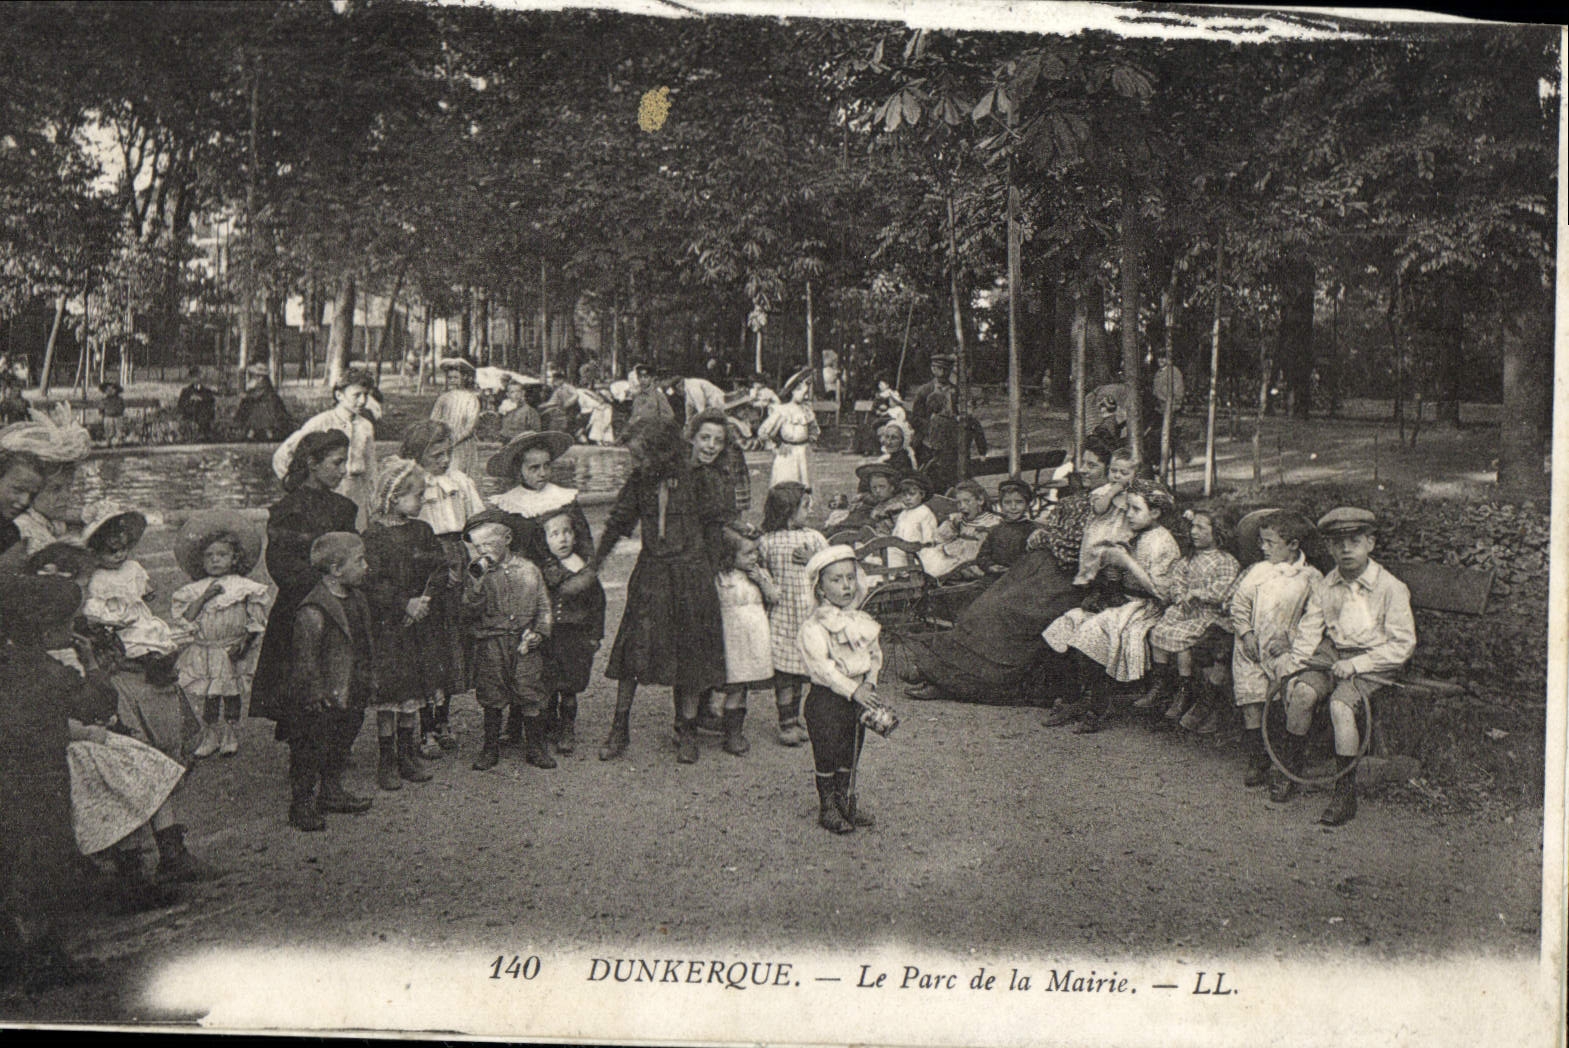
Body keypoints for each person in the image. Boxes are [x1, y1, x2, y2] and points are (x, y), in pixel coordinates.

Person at [0, 575, 115, 989]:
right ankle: (46, 960)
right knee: (46, 866)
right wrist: (93, 663)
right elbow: (100, 705)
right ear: (47, 629)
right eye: (66, 622)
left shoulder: (7, 666)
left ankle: (13, 953)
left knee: (10, 866)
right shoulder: (49, 673)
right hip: (38, 783)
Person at [595, 418, 728, 763]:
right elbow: (617, 522)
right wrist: (594, 565)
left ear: (663, 453)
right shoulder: (641, 480)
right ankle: (618, 728)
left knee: (691, 651)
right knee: (633, 648)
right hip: (652, 572)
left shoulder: (699, 478)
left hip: (691, 574)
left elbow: (715, 528)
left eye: (640, 457)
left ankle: (685, 727)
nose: (635, 464)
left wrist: (708, 573)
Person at [1275, 507, 1416, 826]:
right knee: (1301, 694)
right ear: (1329, 548)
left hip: (1375, 658)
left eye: (1354, 541)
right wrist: (1294, 669)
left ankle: (1345, 791)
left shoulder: (1390, 587)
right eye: (1338, 544)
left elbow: (1402, 645)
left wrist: (1357, 664)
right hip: (1334, 654)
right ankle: (1291, 770)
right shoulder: (1327, 584)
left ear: (1370, 543)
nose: (1346, 549)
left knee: (1341, 706)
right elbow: (1312, 628)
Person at [250, 430, 360, 776]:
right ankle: (304, 785)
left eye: (345, 462)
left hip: (340, 608)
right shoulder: (289, 510)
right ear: (312, 464)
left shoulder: (344, 508)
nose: (343, 470)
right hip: (303, 611)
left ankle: (332, 772)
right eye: (336, 462)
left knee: (342, 684)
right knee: (306, 691)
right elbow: (281, 566)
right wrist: (324, 587)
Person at [1043, 480, 1180, 734]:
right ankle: (1075, 699)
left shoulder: (1163, 542)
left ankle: (1097, 707)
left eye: (1136, 509)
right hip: (1122, 601)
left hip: (1146, 607)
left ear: (1156, 513)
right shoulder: (1134, 532)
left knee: (1094, 630)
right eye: (1128, 508)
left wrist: (1127, 562)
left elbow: (1163, 592)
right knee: (1068, 621)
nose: (1129, 514)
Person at [282, 532, 376, 831]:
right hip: (322, 696)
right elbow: (305, 658)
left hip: (350, 686)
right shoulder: (314, 609)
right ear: (336, 570)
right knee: (310, 747)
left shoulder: (357, 598)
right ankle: (302, 803)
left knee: (343, 739)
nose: (366, 566)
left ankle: (332, 791)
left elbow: (364, 641)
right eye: (359, 560)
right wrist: (312, 693)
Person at [400, 420, 483, 756]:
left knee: (452, 645)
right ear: (418, 455)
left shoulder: (459, 483)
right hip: (424, 563)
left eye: (447, 453)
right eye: (436, 454)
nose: (444, 460)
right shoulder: (411, 485)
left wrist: (478, 564)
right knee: (425, 645)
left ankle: (443, 719)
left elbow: (477, 525)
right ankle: (424, 726)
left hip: (457, 562)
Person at [362, 459, 442, 791]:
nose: (421, 501)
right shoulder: (374, 535)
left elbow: (438, 568)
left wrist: (424, 600)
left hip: (418, 624)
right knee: (391, 694)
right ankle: (387, 758)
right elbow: (372, 582)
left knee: (412, 691)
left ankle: (408, 753)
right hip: (389, 626)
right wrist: (402, 604)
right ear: (395, 497)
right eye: (417, 495)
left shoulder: (422, 531)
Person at [1228, 510, 1323, 789]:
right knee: (1251, 699)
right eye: (1261, 542)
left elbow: (1316, 619)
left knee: (1286, 696)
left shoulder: (1310, 578)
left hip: (1285, 650)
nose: (1263, 548)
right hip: (1252, 646)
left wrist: (1292, 639)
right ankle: (1258, 758)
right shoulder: (1259, 571)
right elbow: (1240, 604)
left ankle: (1284, 760)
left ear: (1293, 545)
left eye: (1270, 543)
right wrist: (1245, 633)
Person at [797, 545, 888, 835]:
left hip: (858, 697)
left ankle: (846, 800)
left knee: (851, 750)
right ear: (821, 588)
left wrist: (870, 681)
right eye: (836, 580)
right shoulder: (814, 627)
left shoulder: (860, 621)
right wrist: (853, 689)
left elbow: (874, 655)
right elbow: (823, 668)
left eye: (850, 578)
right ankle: (828, 807)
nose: (846, 586)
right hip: (827, 700)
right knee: (827, 751)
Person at [171, 513, 271, 760]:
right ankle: (210, 734)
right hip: (207, 649)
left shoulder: (242, 586)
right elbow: (188, 618)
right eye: (209, 556)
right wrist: (205, 596)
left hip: (231, 648)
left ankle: (230, 733)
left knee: (231, 693)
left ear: (234, 558)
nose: (215, 560)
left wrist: (244, 644)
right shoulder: (195, 589)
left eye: (222, 555)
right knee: (210, 695)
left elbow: (255, 621)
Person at [462, 517, 554, 771]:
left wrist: (540, 632)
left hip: (524, 641)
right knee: (492, 691)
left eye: (489, 543)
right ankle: (490, 747)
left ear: (507, 539)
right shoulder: (477, 571)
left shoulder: (528, 569)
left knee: (529, 687)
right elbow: (468, 609)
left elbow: (544, 607)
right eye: (478, 546)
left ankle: (535, 747)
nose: (484, 551)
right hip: (492, 640)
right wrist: (478, 584)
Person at [1140, 507, 1241, 734]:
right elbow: (1177, 580)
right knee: (1159, 631)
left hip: (1209, 614)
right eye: (1192, 526)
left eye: (1200, 528)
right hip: (1185, 610)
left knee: (1183, 641)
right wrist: (1179, 595)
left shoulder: (1225, 561)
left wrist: (1197, 594)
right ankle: (1162, 684)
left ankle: (1185, 692)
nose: (1193, 532)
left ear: (1217, 532)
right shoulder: (1188, 559)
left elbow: (1224, 590)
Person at [756, 481, 828, 748]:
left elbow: (831, 567)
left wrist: (815, 559)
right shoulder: (767, 541)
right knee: (786, 673)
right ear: (787, 510)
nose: (810, 511)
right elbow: (759, 570)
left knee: (806, 670)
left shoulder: (814, 538)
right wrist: (766, 585)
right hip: (783, 616)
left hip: (810, 614)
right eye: (805, 506)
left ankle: (801, 720)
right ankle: (786, 722)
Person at [533, 507, 606, 757]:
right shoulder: (542, 569)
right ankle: (548, 726)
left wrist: (595, 635)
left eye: (567, 532)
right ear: (544, 540)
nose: (562, 538)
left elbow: (598, 604)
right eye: (554, 534)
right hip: (550, 637)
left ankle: (567, 728)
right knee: (548, 682)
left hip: (575, 638)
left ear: (575, 537)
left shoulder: (583, 570)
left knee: (570, 687)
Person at [80, 504, 193, 661]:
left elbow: (142, 587)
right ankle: (139, 657)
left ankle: (155, 655)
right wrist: (103, 618)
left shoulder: (132, 567)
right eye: (112, 552)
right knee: (127, 639)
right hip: (113, 617)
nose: (120, 555)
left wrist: (147, 591)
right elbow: (94, 602)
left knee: (149, 631)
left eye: (123, 549)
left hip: (136, 614)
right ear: (96, 554)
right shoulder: (96, 576)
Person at [273, 369, 379, 530]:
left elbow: (371, 466)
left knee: (355, 535)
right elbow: (283, 454)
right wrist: (295, 484)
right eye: (356, 395)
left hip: (356, 490)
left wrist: (374, 499)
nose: (362, 401)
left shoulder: (366, 426)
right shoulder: (320, 422)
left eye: (365, 395)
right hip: (326, 490)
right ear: (339, 395)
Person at [714, 524, 780, 757]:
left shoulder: (759, 574)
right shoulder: (721, 577)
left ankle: (736, 729)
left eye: (755, 552)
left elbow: (774, 597)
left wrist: (762, 581)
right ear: (730, 555)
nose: (754, 557)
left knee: (743, 687)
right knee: (734, 685)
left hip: (754, 636)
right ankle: (730, 733)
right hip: (731, 639)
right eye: (748, 553)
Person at [1073, 447, 1139, 589]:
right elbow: (1098, 509)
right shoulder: (1102, 491)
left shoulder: (1134, 493)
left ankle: (1114, 587)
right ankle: (1090, 583)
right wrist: (1111, 493)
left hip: (1122, 530)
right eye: (1113, 471)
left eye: (1124, 473)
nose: (1117, 476)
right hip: (1101, 531)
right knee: (1095, 559)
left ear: (1134, 475)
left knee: (1120, 564)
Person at [919, 478, 1000, 580]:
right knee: (931, 556)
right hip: (956, 556)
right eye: (959, 503)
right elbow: (939, 537)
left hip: (974, 560)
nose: (962, 507)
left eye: (967, 501)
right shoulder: (959, 520)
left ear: (980, 500)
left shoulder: (992, 522)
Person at [756, 375, 819, 489]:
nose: (805, 396)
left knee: (806, 482)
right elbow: (763, 431)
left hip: (804, 452)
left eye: (807, 394)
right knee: (788, 481)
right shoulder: (782, 410)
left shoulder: (806, 410)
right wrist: (776, 445)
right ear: (793, 391)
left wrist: (811, 439)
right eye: (803, 393)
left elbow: (814, 428)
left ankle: (806, 506)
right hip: (788, 453)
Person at [974, 477, 1038, 575]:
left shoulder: (1032, 530)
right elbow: (982, 556)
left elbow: (1034, 561)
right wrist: (990, 566)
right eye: (1007, 502)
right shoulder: (996, 530)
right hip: (995, 577)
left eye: (1019, 502)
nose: (1013, 507)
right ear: (1001, 505)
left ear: (1027, 504)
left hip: (1020, 579)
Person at [431, 363, 484, 479]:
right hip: (444, 442)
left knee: (460, 476)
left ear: (464, 378)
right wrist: (439, 438)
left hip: (462, 443)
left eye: (456, 378)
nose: (452, 381)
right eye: (450, 378)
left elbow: (471, 425)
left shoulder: (471, 398)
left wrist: (454, 439)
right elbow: (433, 420)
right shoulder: (443, 398)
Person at [907, 354, 954, 460]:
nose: (943, 373)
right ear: (933, 369)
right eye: (939, 368)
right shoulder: (925, 390)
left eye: (946, 369)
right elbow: (915, 418)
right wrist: (933, 427)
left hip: (950, 437)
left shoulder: (955, 390)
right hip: (928, 438)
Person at [888, 474, 939, 570]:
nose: (907, 498)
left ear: (922, 494)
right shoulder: (903, 513)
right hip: (901, 552)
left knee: (892, 561)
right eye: (904, 495)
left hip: (916, 555)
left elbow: (929, 540)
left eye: (912, 494)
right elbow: (895, 535)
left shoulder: (925, 513)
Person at [236, 370, 293, 442]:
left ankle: (256, 437)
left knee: (259, 423)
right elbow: (255, 393)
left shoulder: (263, 384)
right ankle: (252, 437)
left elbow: (257, 395)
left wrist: (247, 395)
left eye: (258, 375)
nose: (256, 377)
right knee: (258, 424)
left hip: (266, 408)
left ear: (262, 377)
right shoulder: (261, 384)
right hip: (263, 406)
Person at [177, 368, 218, 441]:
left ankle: (204, 433)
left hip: (204, 415)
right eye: (194, 377)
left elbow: (211, 402)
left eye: (198, 377)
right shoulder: (186, 391)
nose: (196, 379)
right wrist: (190, 400)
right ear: (191, 379)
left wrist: (201, 399)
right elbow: (180, 404)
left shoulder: (206, 391)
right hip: (190, 414)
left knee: (205, 412)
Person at [99, 382, 127, 447]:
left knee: (118, 428)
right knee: (108, 427)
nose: (110, 391)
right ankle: (108, 441)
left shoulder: (119, 399)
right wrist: (103, 414)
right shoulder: (104, 400)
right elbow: (101, 409)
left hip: (117, 417)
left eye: (112, 389)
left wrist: (118, 412)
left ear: (116, 391)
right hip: (108, 417)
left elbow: (121, 408)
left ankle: (119, 440)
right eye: (107, 390)